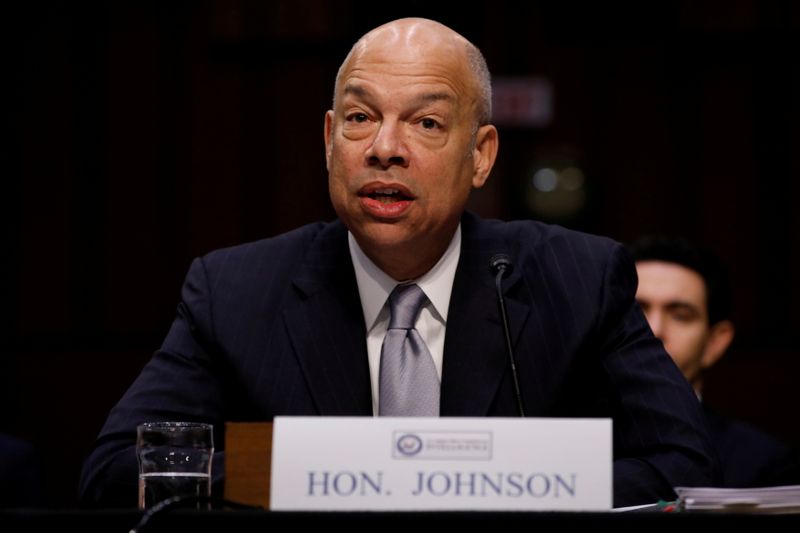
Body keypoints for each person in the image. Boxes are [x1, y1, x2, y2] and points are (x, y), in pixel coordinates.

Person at [80, 17, 714, 508]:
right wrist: (322, 475)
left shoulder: (577, 279)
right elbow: (118, 470)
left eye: (427, 123)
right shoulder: (236, 291)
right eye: (360, 118)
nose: (385, 148)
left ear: (481, 154)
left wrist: (510, 482)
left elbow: (681, 463)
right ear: (329, 140)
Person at [631, 235, 799, 487]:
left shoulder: (763, 463)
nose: (654, 330)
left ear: (714, 343)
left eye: (680, 315)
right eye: (635, 310)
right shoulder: (561, 445)